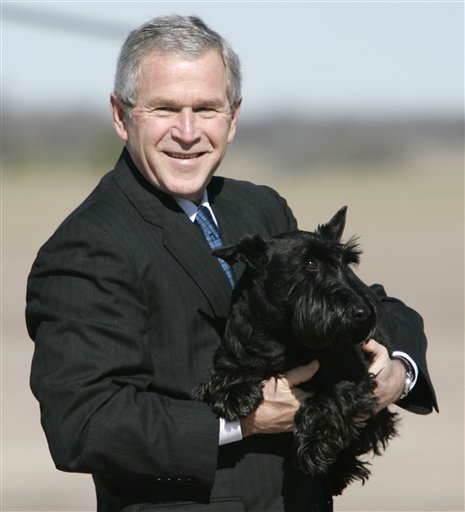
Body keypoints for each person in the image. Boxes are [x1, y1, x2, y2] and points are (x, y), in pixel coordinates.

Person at [26, 15, 438, 512]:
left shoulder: (261, 208)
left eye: (206, 108)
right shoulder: (87, 246)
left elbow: (363, 304)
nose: (187, 131)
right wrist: (246, 419)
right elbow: (84, 425)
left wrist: (399, 371)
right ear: (121, 115)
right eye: (164, 108)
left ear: (233, 117)